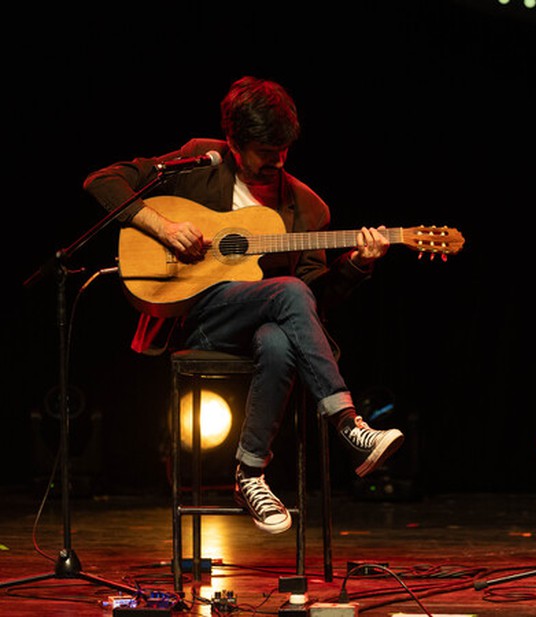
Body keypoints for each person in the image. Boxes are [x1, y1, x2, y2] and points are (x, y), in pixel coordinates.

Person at [84, 76, 404, 534]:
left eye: (283, 149)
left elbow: (317, 297)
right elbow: (103, 181)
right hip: (197, 315)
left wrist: (356, 264)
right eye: (262, 150)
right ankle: (349, 424)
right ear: (233, 141)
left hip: (263, 320)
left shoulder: (309, 209)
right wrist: (163, 227)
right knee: (289, 292)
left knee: (279, 338)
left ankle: (249, 473)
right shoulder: (199, 159)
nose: (274, 160)